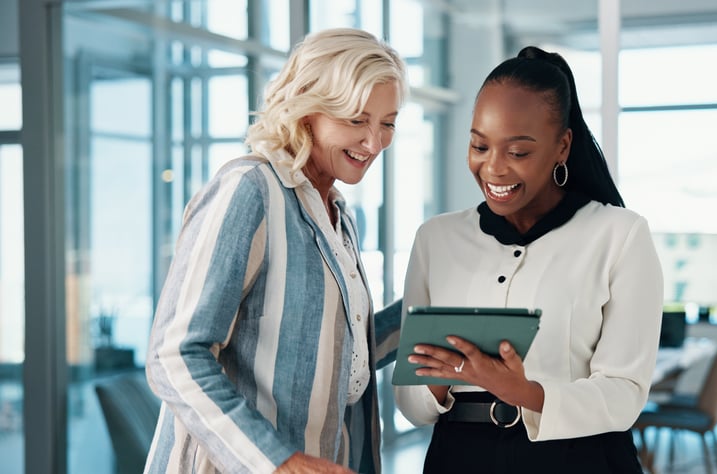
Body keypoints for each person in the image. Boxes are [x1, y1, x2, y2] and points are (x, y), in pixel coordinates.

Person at [144, 28, 407, 474]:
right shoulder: (250, 191)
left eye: (387, 123)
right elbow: (174, 355)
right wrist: (279, 461)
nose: (374, 142)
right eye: (357, 119)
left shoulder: (339, 217)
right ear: (308, 109)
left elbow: (336, 354)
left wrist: (428, 314)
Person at [393, 46, 664, 473]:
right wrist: (444, 379)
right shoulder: (435, 239)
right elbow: (411, 402)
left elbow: (625, 393)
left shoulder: (620, 235)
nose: (493, 168)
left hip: (578, 460)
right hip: (458, 458)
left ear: (562, 146)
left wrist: (526, 392)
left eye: (517, 152)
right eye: (479, 145)